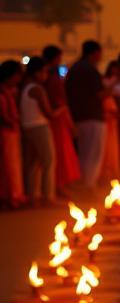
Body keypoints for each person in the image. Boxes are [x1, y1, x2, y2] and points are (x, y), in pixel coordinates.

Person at [65, 40, 106, 188]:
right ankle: (89, 185)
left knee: (83, 154)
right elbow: (100, 94)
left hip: (77, 116)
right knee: (93, 154)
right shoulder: (90, 70)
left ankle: (83, 183)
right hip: (93, 116)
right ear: (95, 53)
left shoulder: (73, 69)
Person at [41, 45, 80, 194]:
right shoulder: (51, 76)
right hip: (57, 118)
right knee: (61, 152)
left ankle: (61, 184)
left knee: (63, 151)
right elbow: (59, 100)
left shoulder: (49, 75)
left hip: (56, 117)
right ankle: (59, 185)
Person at [19, 56, 57, 205]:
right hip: (39, 126)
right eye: (45, 72)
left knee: (32, 164)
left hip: (27, 127)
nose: (46, 75)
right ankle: (48, 196)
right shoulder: (37, 89)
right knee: (48, 161)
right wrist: (61, 110)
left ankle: (33, 196)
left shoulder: (25, 86)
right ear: (37, 72)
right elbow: (49, 113)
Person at [0, 59, 27, 208]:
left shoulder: (10, 91)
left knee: (14, 166)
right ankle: (10, 197)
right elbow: (5, 117)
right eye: (17, 75)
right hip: (6, 133)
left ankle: (14, 196)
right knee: (8, 167)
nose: (19, 79)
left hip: (12, 133)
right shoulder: (3, 92)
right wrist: (14, 121)